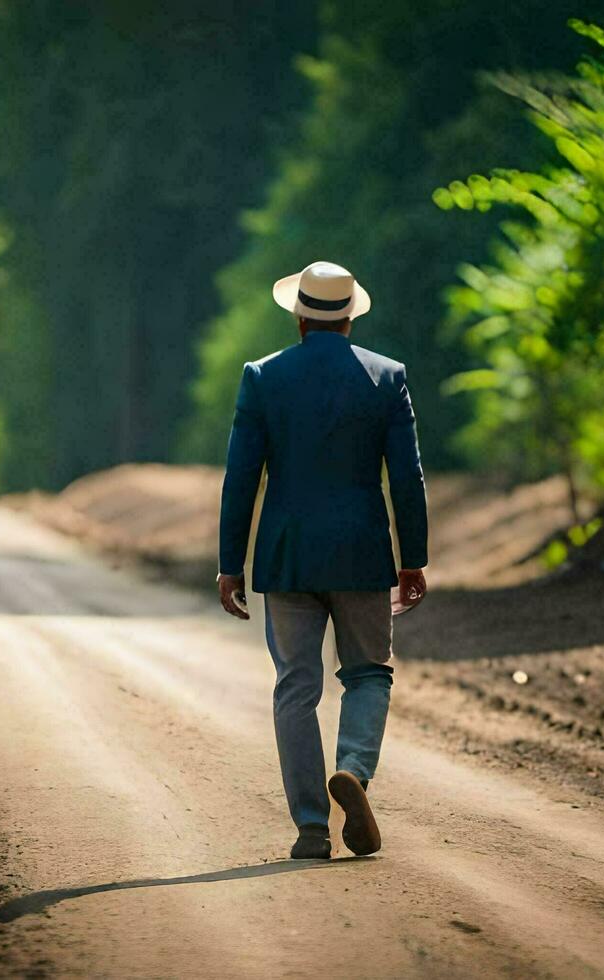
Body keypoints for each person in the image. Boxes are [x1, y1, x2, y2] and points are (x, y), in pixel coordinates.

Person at [216, 261, 429, 861]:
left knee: (296, 688)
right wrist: (414, 558)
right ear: (351, 317)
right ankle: (355, 773)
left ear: (300, 316)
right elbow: (407, 477)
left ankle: (312, 828)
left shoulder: (263, 377)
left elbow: (241, 478)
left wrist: (231, 563)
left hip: (287, 558)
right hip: (363, 553)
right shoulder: (388, 378)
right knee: (367, 673)